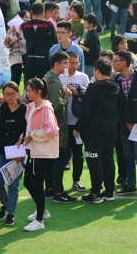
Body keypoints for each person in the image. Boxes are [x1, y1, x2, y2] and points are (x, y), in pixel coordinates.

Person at [74, 58, 120, 203]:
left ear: (97, 71)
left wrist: (78, 127)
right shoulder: (115, 87)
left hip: (94, 131)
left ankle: (95, 193)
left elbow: (85, 111)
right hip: (111, 129)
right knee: (108, 160)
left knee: (94, 161)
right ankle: (109, 191)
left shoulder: (93, 88)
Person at [22, 77, 60, 231]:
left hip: (42, 151)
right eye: (26, 90)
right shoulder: (31, 106)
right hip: (33, 149)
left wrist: (33, 134)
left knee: (36, 184)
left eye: (29, 91)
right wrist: (26, 136)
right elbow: (29, 126)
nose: (27, 93)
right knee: (28, 182)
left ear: (38, 91)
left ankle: (39, 220)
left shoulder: (46, 109)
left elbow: (51, 130)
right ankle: (42, 211)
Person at [113, 50, 137, 199]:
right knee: (127, 155)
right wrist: (125, 121)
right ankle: (131, 184)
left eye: (116, 61)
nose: (113, 63)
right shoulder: (116, 79)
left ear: (124, 63)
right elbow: (117, 105)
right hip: (125, 124)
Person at [0, 82, 26, 226]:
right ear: (2, 96)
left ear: (17, 94)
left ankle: (11, 213)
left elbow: (27, 130)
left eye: (12, 94)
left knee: (13, 185)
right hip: (1, 151)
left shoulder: (25, 109)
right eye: (6, 94)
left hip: (17, 152)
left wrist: (22, 145)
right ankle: (5, 204)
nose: (9, 97)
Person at [43, 51, 75, 204]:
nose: (67, 66)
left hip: (50, 125)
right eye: (65, 63)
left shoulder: (47, 77)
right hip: (57, 126)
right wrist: (66, 97)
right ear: (56, 64)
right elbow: (56, 104)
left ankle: (50, 188)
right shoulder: (54, 81)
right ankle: (58, 192)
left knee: (51, 160)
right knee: (59, 159)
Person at [59, 51, 90, 194]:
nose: (74, 65)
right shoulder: (59, 77)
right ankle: (57, 185)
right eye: (71, 63)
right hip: (61, 123)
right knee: (62, 154)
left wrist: (77, 94)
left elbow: (90, 98)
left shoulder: (83, 77)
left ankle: (76, 180)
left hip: (77, 123)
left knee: (78, 153)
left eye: (76, 62)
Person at [22, 3, 58, 80]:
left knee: (28, 82)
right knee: (43, 82)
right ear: (43, 13)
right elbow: (54, 40)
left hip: (30, 58)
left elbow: (25, 37)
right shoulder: (48, 24)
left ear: (31, 12)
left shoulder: (24, 25)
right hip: (44, 58)